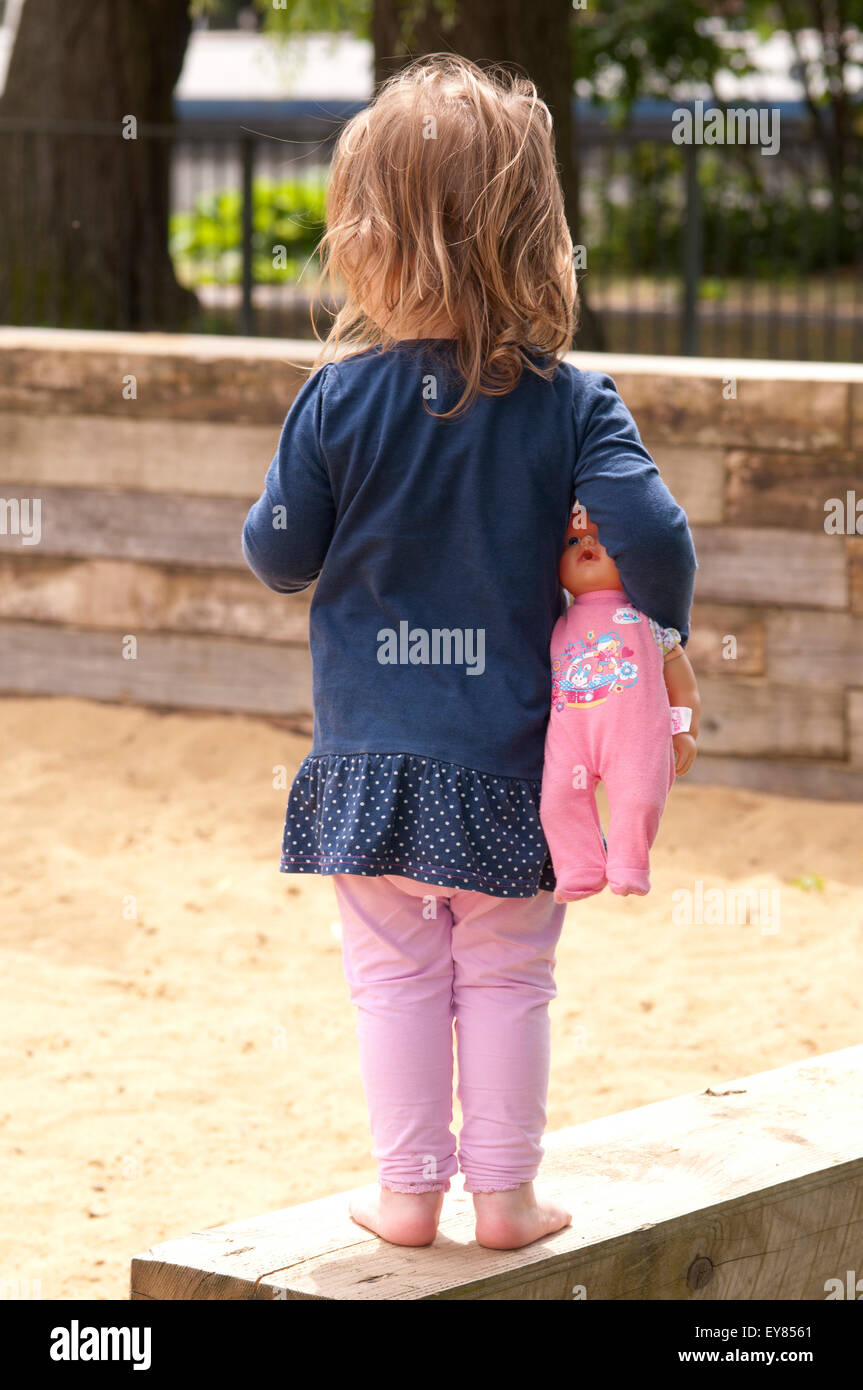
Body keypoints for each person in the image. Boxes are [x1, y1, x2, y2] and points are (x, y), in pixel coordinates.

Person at [241, 53, 697, 1251]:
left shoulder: (335, 403)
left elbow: (280, 556)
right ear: (536, 236)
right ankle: (503, 1201)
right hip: (514, 773)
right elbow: (651, 533)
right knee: (505, 977)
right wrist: (665, 644)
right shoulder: (573, 403)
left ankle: (404, 1198)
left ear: (370, 241)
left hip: (371, 768)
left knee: (392, 976)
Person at [541, 506, 701, 902]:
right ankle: (578, 869)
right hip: (570, 737)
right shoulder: (555, 622)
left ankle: (630, 864)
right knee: (558, 802)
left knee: (640, 797)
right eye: (573, 541)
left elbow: (684, 687)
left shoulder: (648, 623)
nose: (587, 544)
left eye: (602, 539)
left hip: (636, 737)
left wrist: (683, 731)